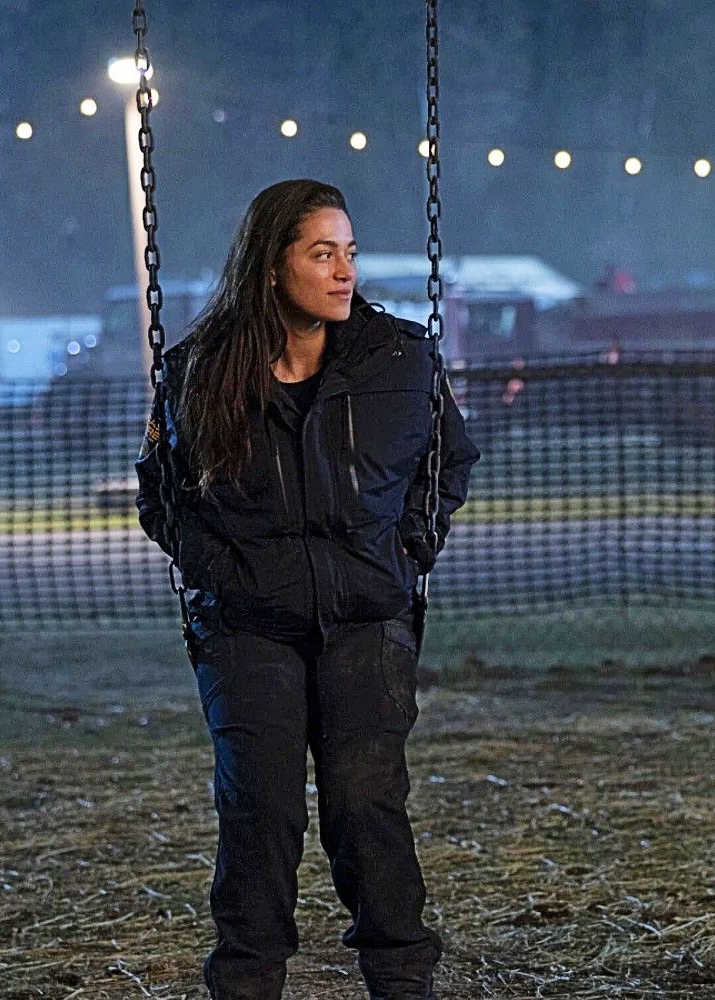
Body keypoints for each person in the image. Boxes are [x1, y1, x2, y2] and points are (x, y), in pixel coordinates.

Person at [136, 178, 478, 1000]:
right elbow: (164, 497)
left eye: (349, 253)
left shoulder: (396, 360)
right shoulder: (203, 372)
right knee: (261, 811)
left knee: (367, 804)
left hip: (367, 614)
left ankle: (401, 980)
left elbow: (449, 462)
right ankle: (248, 984)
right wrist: (223, 576)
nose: (343, 272)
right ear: (270, 266)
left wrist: (406, 556)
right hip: (248, 624)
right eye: (321, 253)